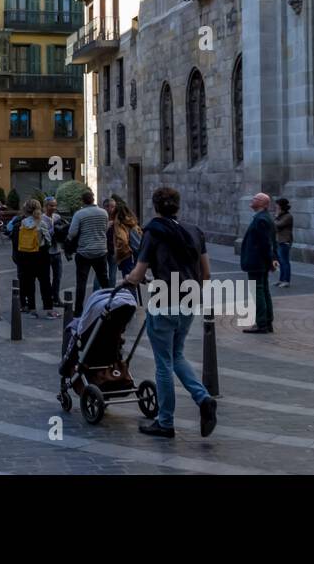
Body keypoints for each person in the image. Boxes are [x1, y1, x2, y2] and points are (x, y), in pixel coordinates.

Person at [124, 186, 217, 439]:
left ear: (155, 207)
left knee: (163, 363)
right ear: (178, 205)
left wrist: (127, 280)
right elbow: (206, 273)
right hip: (189, 298)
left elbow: (138, 273)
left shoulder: (153, 231)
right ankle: (203, 398)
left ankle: (165, 422)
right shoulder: (195, 231)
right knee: (176, 354)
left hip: (164, 299)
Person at [65, 189, 110, 317]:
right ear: (93, 199)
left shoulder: (79, 214)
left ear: (82, 201)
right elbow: (105, 229)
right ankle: (110, 305)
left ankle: (78, 310)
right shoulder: (104, 213)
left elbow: (72, 232)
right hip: (101, 250)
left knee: (81, 282)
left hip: (84, 252)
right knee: (104, 280)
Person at [240, 193, 279, 334]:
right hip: (261, 262)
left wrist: (270, 261)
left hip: (257, 262)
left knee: (258, 291)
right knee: (263, 290)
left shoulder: (261, 219)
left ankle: (262, 323)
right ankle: (267, 322)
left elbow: (266, 244)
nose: (252, 200)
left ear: (263, 203)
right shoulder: (263, 218)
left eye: (255, 199)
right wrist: (272, 260)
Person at [11, 198, 56, 318]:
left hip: (26, 255)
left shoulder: (21, 223)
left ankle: (32, 309)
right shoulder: (41, 223)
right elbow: (48, 241)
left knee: (29, 283)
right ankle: (49, 310)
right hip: (41, 255)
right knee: (45, 282)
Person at [114, 203, 143, 290]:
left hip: (127, 256)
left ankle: (132, 303)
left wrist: (119, 253)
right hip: (136, 256)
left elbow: (123, 241)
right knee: (133, 284)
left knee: (129, 285)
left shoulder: (121, 225)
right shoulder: (133, 223)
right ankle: (134, 302)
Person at [274, 198, 293, 288]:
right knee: (281, 262)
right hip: (279, 241)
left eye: (277, 205)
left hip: (285, 241)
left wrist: (277, 216)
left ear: (281, 206)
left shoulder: (288, 216)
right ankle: (281, 280)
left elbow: (278, 225)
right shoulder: (282, 215)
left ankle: (286, 281)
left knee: (285, 262)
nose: (276, 206)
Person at [104, 197, 119, 286]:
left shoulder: (117, 218)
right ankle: (96, 294)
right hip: (103, 250)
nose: (114, 209)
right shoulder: (102, 217)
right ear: (106, 207)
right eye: (112, 207)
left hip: (113, 249)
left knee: (112, 274)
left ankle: (110, 294)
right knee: (100, 274)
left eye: (114, 207)